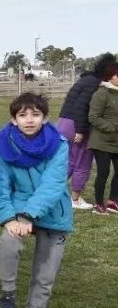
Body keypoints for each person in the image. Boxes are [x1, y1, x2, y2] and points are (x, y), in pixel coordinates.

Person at [0, 93, 71, 308]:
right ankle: (8, 296)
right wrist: (9, 218)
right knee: (8, 242)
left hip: (53, 211)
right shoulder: (1, 145)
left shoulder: (59, 143)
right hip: (19, 209)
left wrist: (29, 215)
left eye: (35, 114)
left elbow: (53, 184)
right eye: (22, 114)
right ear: (13, 119)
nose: (29, 119)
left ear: (45, 117)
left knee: (45, 275)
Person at [58, 54, 116, 210]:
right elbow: (81, 107)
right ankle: (75, 199)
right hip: (76, 125)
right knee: (83, 161)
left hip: (64, 122)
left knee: (69, 161)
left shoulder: (85, 79)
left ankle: (54, 191)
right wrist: (80, 130)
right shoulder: (93, 84)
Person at [87, 61, 118, 214]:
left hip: (116, 141)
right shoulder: (101, 93)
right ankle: (99, 204)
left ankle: (113, 201)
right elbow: (93, 117)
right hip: (101, 141)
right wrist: (111, 127)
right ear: (109, 77)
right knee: (103, 172)